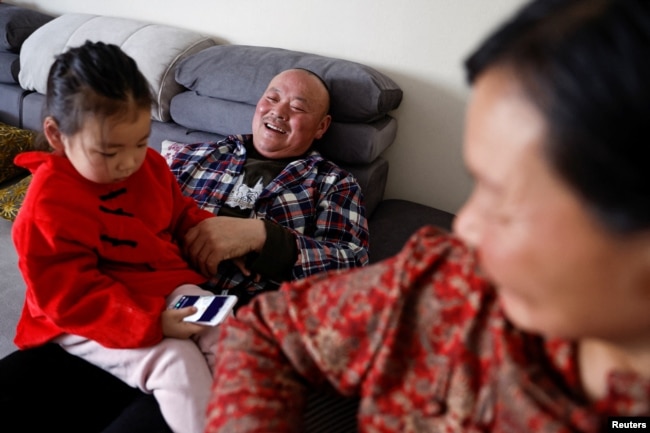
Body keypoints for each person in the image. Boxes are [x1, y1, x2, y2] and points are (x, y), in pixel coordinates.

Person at [204, 0, 650, 431]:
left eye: (505, 199)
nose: (467, 226)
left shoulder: (332, 183)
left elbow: (342, 260)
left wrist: (265, 237)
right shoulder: (446, 282)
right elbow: (267, 332)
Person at [0, 67, 369, 432]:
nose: (279, 110)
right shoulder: (193, 154)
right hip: (120, 302)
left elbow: (352, 272)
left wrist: (262, 237)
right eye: (272, 97)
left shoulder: (333, 183)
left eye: (299, 107)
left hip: (229, 320)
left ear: (322, 127)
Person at [11, 41, 224, 433]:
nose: (129, 162)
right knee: (176, 361)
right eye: (109, 152)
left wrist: (203, 231)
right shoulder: (48, 203)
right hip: (84, 315)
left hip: (162, 285)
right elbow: (69, 296)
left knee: (224, 323)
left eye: (141, 143)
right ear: (57, 136)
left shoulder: (149, 165)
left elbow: (179, 211)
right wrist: (153, 324)